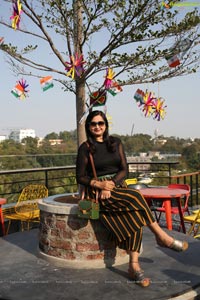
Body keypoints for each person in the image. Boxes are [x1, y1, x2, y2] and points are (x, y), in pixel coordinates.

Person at [76, 110, 189, 288]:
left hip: (116, 187)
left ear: (105, 125)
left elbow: (124, 170)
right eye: (93, 124)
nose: (97, 127)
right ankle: (160, 236)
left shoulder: (115, 143)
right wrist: (100, 185)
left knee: (135, 215)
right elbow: (80, 176)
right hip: (97, 193)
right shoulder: (85, 148)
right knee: (137, 196)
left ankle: (133, 266)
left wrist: (111, 184)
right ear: (89, 127)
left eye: (100, 123)